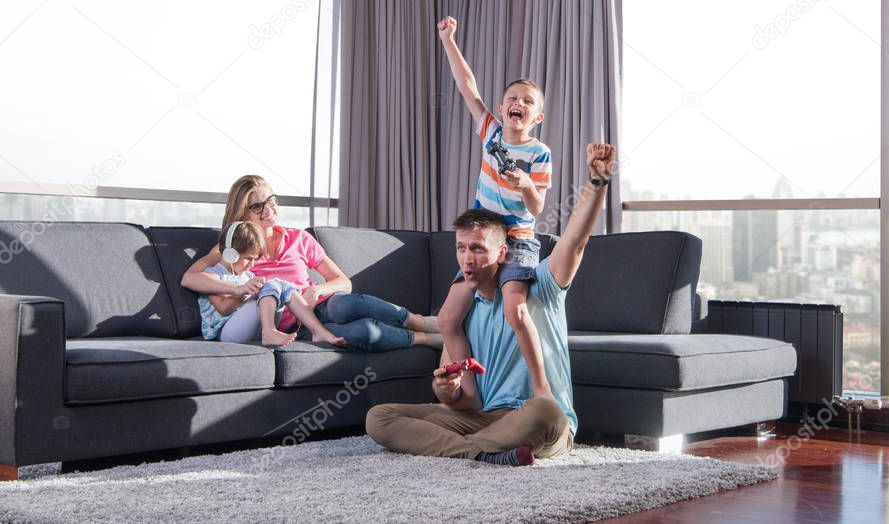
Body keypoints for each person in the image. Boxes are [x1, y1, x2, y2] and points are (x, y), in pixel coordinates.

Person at [366, 143, 617, 466]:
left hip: (535, 417)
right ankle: (482, 453)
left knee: (545, 412)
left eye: (478, 249)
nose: (467, 259)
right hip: (484, 418)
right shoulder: (460, 314)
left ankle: (461, 449)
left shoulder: (539, 285)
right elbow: (458, 401)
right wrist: (445, 388)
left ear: (501, 253)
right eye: (461, 248)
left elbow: (576, 240)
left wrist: (596, 181)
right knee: (379, 417)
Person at [436, 15, 555, 401]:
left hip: (517, 237)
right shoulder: (490, 132)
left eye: (527, 101)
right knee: (447, 318)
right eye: (512, 98)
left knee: (515, 311)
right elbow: (467, 87)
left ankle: (541, 388)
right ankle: (468, 394)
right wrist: (449, 41)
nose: (517, 103)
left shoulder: (539, 152)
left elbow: (537, 206)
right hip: (483, 235)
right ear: (502, 108)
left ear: (536, 117)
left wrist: (524, 185)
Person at [182, 175, 443, 350]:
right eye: (258, 206)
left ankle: (417, 321)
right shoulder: (234, 249)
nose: (269, 209)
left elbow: (344, 282)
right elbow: (193, 278)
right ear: (242, 213)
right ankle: (423, 339)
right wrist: (238, 289)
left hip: (318, 307)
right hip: (295, 327)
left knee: (345, 303)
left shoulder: (298, 239)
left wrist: (318, 289)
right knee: (363, 333)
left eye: (271, 201)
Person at [197, 220, 346, 348]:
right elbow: (223, 308)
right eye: (249, 258)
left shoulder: (247, 275)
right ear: (231, 254)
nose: (252, 264)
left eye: (255, 259)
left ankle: (317, 331)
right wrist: (246, 293)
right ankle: (268, 332)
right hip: (226, 332)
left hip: (250, 328)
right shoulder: (213, 275)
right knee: (270, 285)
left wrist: (257, 291)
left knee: (281, 285)